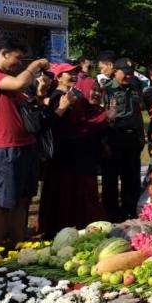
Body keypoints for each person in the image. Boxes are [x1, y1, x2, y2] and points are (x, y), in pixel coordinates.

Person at [0, 38, 51, 249]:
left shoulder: (7, 78)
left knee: (23, 201)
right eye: (17, 58)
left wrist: (40, 92)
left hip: (27, 144)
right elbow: (20, 82)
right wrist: (35, 64)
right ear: (3, 53)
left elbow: (28, 107)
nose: (19, 63)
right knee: (3, 203)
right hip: (6, 147)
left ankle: (18, 249)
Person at [38, 65, 110, 235]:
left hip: (79, 159)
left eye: (74, 73)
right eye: (68, 73)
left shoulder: (75, 98)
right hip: (65, 159)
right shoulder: (58, 97)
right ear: (58, 77)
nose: (73, 75)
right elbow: (64, 128)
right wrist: (104, 118)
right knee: (65, 197)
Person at [101, 57, 146, 222]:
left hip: (132, 138)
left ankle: (130, 211)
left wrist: (141, 136)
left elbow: (138, 113)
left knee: (132, 178)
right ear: (115, 72)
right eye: (125, 73)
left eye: (131, 73)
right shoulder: (106, 90)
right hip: (114, 138)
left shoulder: (136, 87)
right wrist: (104, 142)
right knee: (111, 179)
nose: (129, 76)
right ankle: (112, 214)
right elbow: (101, 117)